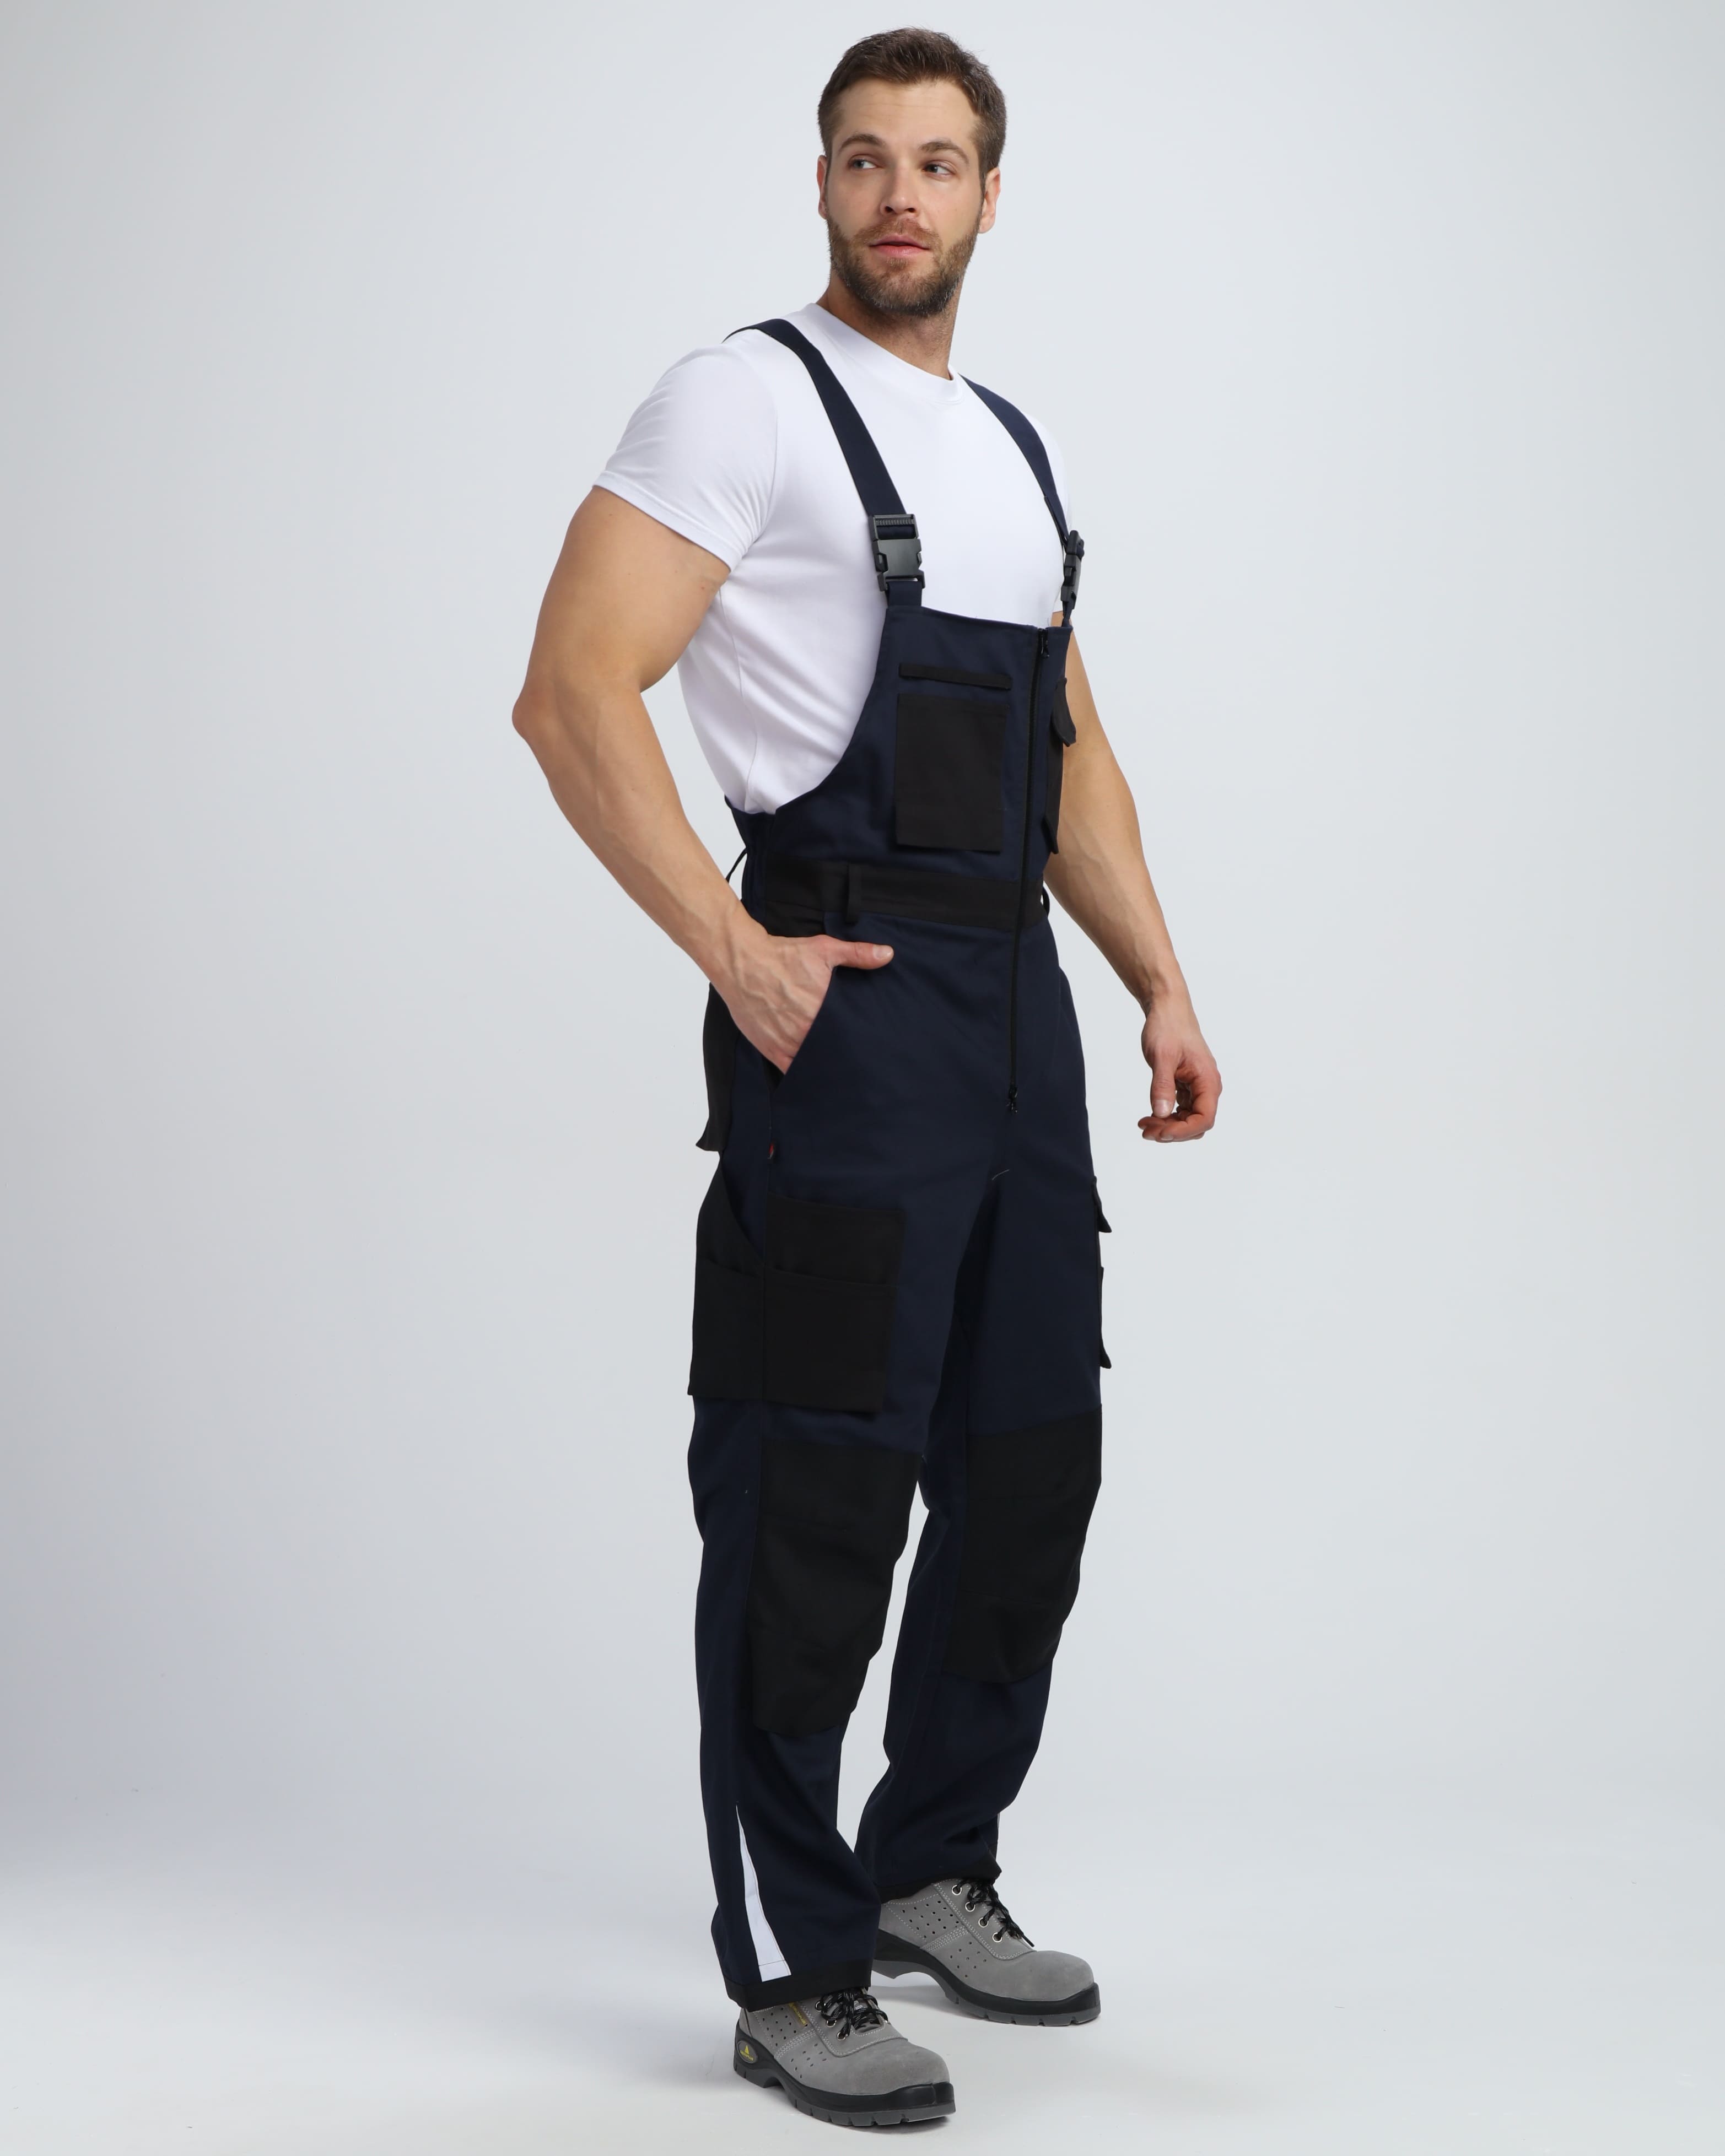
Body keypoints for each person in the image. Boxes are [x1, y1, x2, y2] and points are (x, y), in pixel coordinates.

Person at [513, 26, 1221, 2130]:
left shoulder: (1003, 443)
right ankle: (796, 1963)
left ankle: (928, 1864)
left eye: (936, 160)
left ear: (992, 195)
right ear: (819, 185)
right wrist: (734, 951)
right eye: (861, 158)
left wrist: (1158, 978)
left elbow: (1064, 747)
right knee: (814, 1486)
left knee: (1029, 1461)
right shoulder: (738, 401)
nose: (899, 193)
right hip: (841, 1008)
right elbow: (570, 689)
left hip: (1014, 1019)